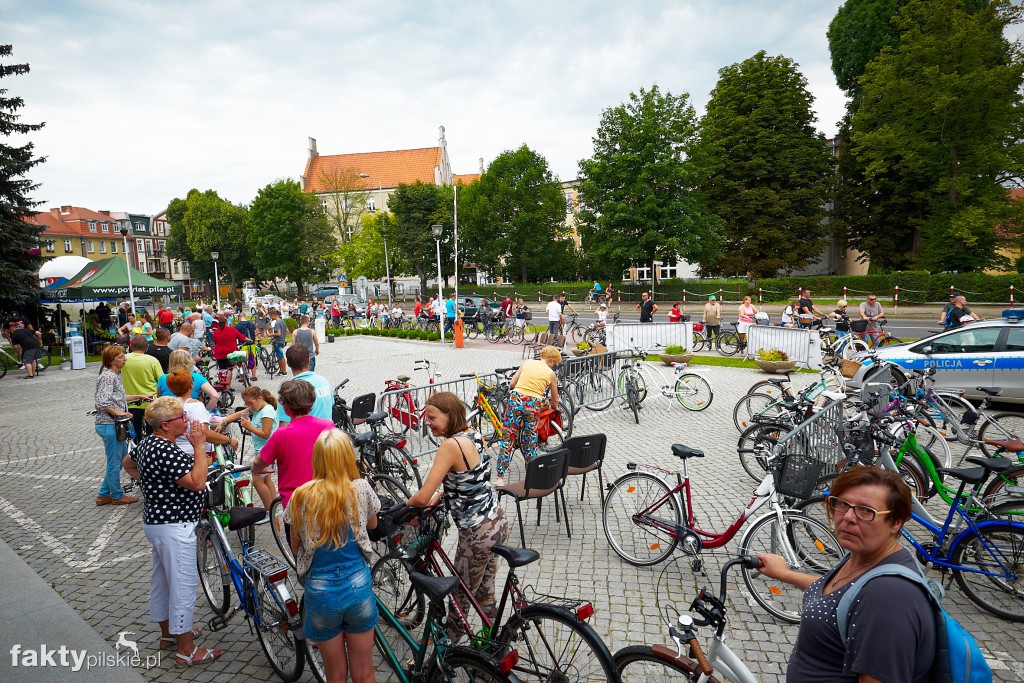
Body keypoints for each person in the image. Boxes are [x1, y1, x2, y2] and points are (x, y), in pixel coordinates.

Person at [757, 467, 935, 682]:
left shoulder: (890, 596)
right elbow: (840, 594)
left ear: (896, 522)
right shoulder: (861, 555)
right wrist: (784, 574)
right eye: (843, 504)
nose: (849, 517)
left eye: (866, 511)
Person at [121, 397, 222, 668]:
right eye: (181, 417)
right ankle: (186, 650)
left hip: (158, 523)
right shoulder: (165, 450)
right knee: (182, 586)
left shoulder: (148, 444)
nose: (186, 420)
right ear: (166, 425)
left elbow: (127, 463)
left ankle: (169, 634)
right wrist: (200, 446)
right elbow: (198, 482)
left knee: (163, 581)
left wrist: (151, 483)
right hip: (175, 525)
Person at [407, 393, 507, 637]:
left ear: (449, 415)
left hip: (476, 534)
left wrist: (405, 505)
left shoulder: (450, 446)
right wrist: (445, 493)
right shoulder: (473, 434)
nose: (427, 423)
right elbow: (473, 476)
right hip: (497, 522)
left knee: (460, 598)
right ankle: (494, 648)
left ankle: (444, 660)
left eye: (432, 417)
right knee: (484, 592)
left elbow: (421, 496)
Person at [286, 430, 380, 683]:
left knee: (335, 674)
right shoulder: (360, 487)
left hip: (321, 591)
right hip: (358, 584)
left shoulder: (301, 495)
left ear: (317, 459)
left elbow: (295, 546)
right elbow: (372, 524)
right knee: (365, 672)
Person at [253, 380, 335, 540]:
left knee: (299, 548)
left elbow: (259, 461)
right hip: (325, 494)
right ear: (311, 402)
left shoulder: (281, 435)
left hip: (296, 502)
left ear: (286, 408)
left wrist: (256, 470)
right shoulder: (328, 425)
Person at [495, 346, 560, 486]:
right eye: (555, 362)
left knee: (507, 437)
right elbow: (555, 399)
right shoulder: (550, 373)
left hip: (515, 399)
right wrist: (554, 408)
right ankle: (533, 475)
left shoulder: (527, 362)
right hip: (532, 403)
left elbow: (512, 383)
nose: (554, 365)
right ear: (551, 360)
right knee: (530, 441)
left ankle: (500, 477)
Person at [94, 346, 149, 506]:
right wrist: (120, 413)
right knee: (115, 462)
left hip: (116, 425)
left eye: (124, 356)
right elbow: (102, 402)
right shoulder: (108, 377)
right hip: (109, 425)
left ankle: (104, 494)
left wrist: (138, 396)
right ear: (111, 361)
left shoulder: (115, 375)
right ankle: (117, 496)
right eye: (120, 357)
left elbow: (117, 397)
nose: (124, 359)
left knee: (122, 459)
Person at [215, 385, 279, 509]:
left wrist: (249, 427)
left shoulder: (267, 411)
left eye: (250, 403)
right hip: (263, 450)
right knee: (266, 479)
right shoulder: (256, 408)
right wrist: (223, 421)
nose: (249, 406)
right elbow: (240, 414)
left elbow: (266, 434)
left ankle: (269, 510)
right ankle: (274, 508)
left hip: (266, 450)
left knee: (257, 480)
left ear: (260, 398)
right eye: (246, 404)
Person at [166, 369, 236, 461]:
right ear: (191, 385)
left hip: (175, 451)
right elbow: (205, 433)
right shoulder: (196, 406)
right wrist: (229, 440)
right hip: (196, 453)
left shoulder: (169, 404)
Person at [277, 344, 332, 424]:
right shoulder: (324, 381)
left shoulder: (288, 391)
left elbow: (284, 425)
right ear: (309, 361)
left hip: (306, 435)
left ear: (288, 363)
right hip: (328, 434)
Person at [122, 335, 162, 442]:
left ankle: (135, 452)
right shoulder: (152, 360)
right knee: (151, 432)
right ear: (147, 347)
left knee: (134, 431)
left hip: (130, 401)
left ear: (131, 345)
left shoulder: (123, 359)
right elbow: (161, 380)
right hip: (150, 400)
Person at [235, 313, 258, 381]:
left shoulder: (238, 325)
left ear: (239, 317)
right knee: (252, 360)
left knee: (243, 361)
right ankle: (254, 375)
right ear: (245, 316)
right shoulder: (251, 323)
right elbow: (255, 332)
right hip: (252, 344)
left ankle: (244, 375)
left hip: (243, 344)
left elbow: (236, 336)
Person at [269, 308, 288, 376]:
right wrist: (284, 336)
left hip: (278, 341)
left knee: (281, 356)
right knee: (279, 356)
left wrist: (271, 335)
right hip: (282, 341)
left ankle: (284, 371)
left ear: (274, 315)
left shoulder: (277, 323)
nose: (270, 318)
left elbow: (278, 333)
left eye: (270, 316)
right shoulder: (282, 321)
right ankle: (281, 370)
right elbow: (287, 331)